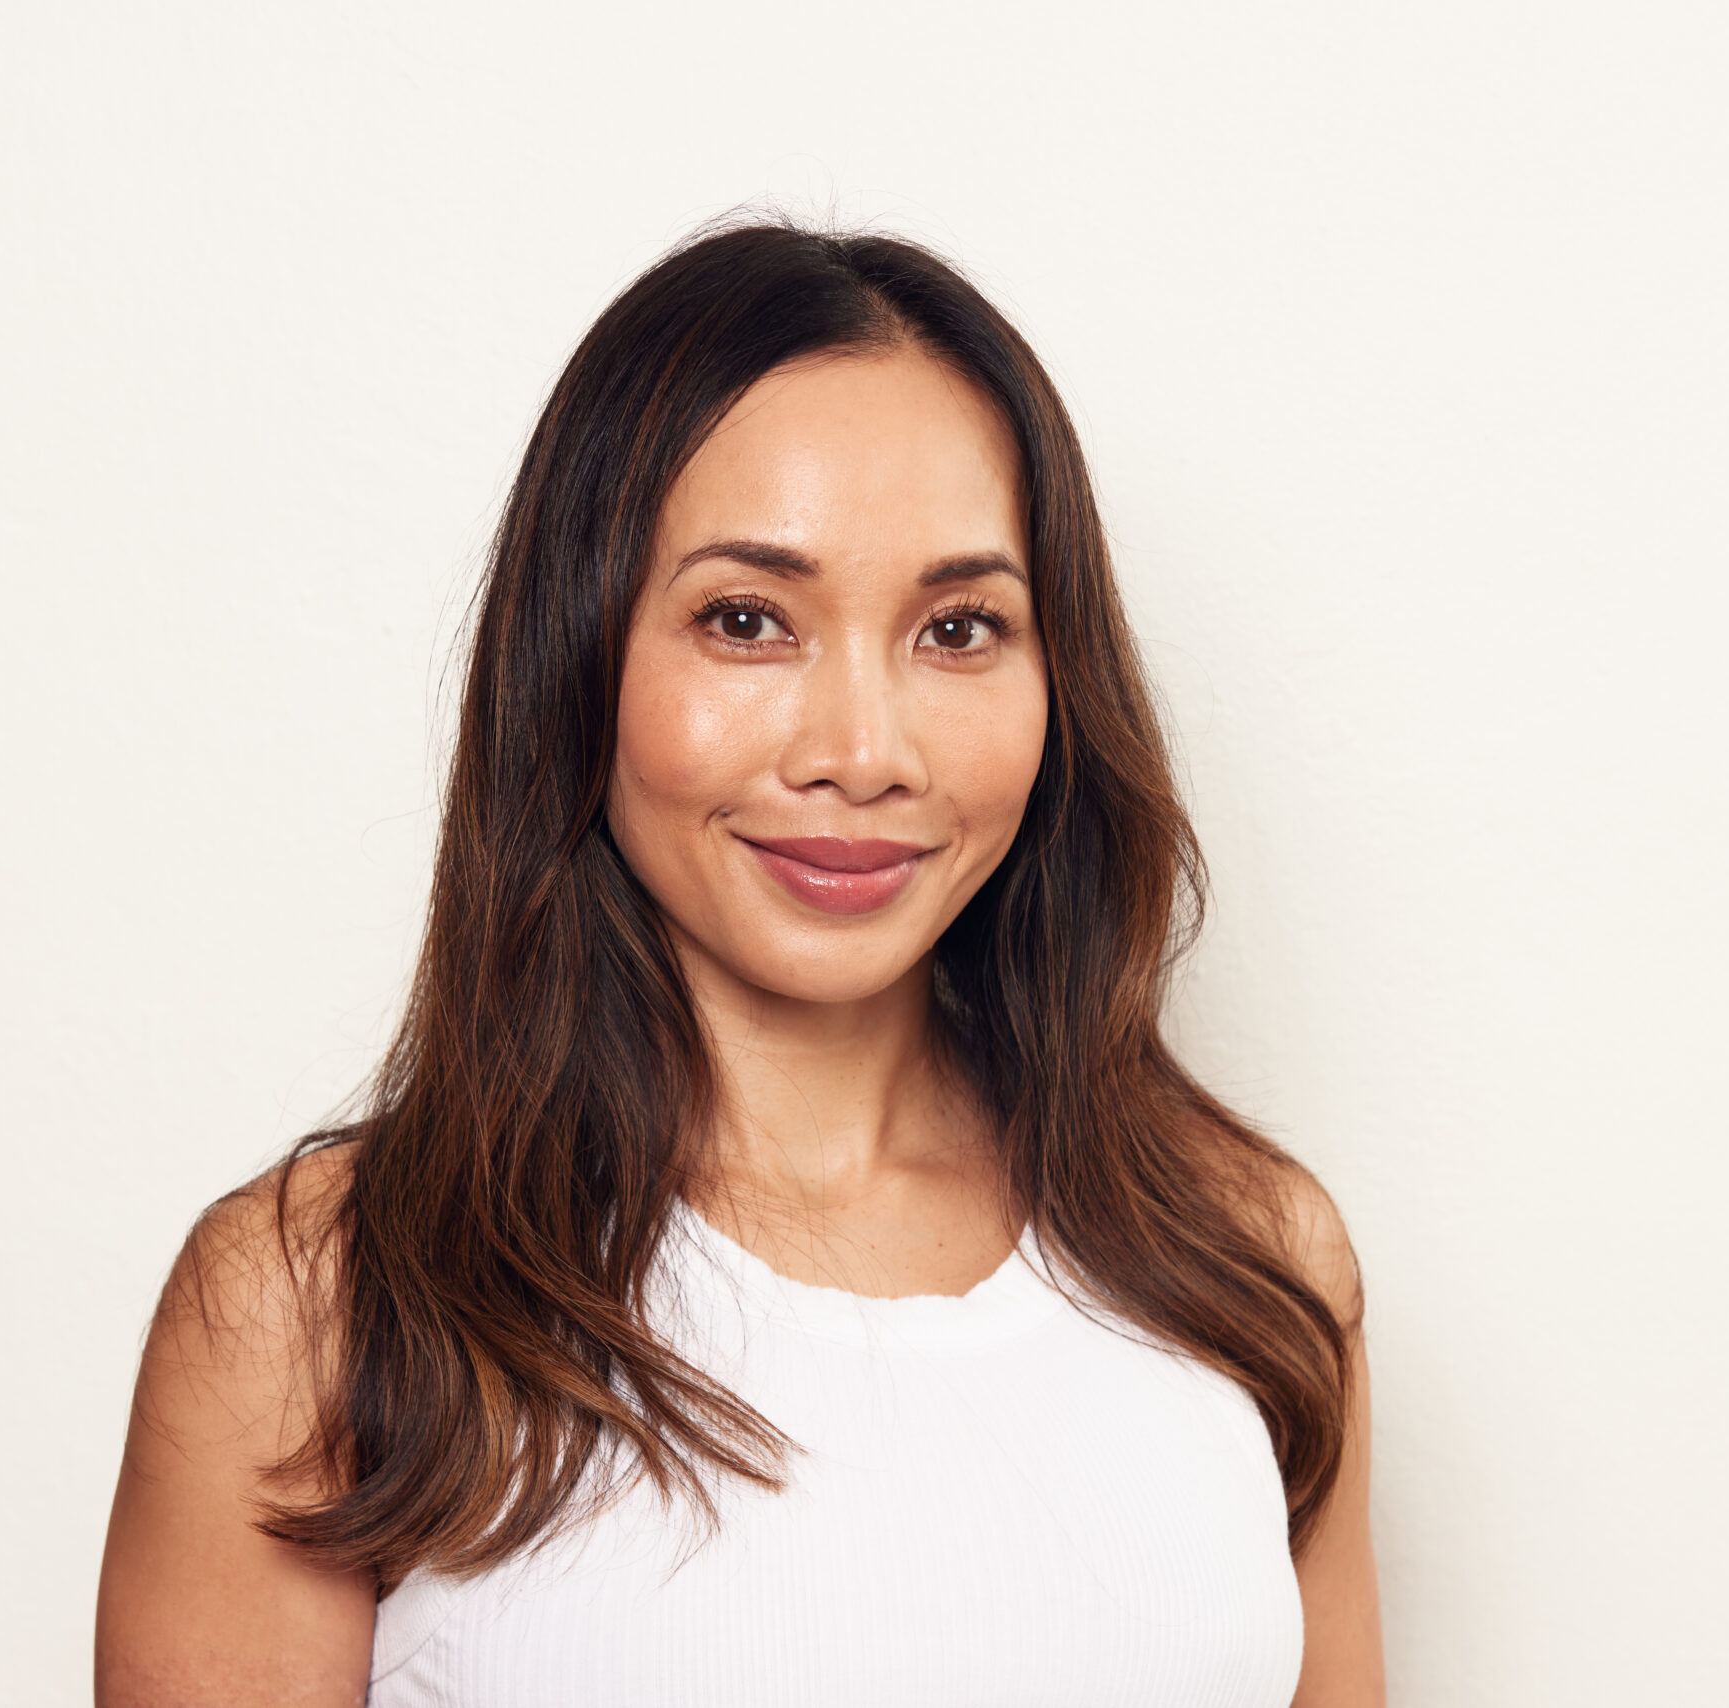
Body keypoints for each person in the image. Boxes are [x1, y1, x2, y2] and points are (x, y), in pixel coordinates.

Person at [95, 222, 1383, 1706]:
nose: (862, 753)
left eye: (959, 628)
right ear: (579, 656)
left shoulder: (1253, 1261)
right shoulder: (318, 1302)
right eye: (747, 620)